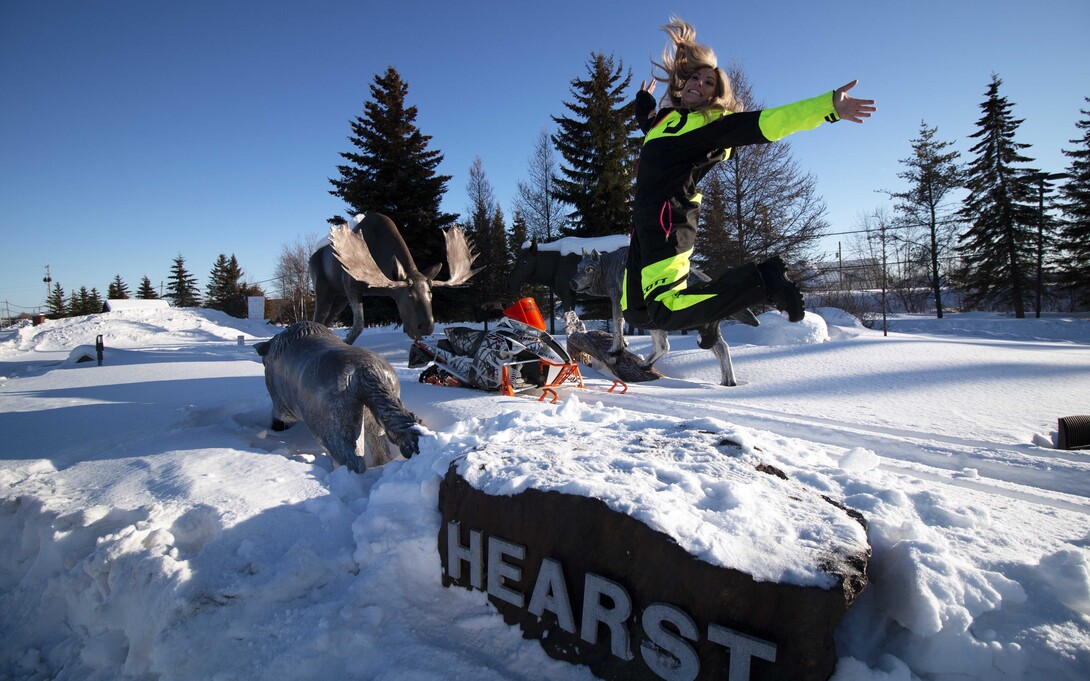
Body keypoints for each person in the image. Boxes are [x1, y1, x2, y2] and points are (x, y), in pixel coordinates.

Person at [621, 16, 876, 340]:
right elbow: (649, 127)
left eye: (708, 83)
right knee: (636, 310)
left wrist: (827, 107)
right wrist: (642, 104)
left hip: (668, 220)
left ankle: (766, 281)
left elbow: (769, 123)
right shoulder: (667, 120)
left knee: (666, 310)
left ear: (716, 96)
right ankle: (709, 313)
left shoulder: (709, 125)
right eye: (695, 77)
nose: (698, 83)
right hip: (642, 226)